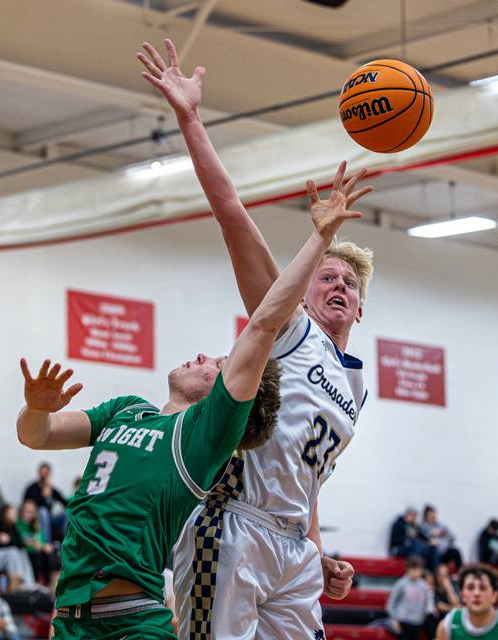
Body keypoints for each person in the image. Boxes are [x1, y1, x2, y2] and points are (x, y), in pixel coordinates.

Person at [17, 144, 361, 638]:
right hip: (82, 608)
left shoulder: (203, 434)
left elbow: (263, 330)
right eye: (328, 276)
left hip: (146, 602)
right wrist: (34, 408)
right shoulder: (129, 411)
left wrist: (313, 546)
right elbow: (38, 435)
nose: (206, 356)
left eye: (219, 363)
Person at [137, 39, 372, 638]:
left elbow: (306, 479)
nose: (336, 286)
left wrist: (317, 548)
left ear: (361, 307)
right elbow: (234, 215)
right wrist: (191, 119)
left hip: (292, 547)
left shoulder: (355, 386)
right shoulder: (286, 327)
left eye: (348, 282)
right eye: (325, 277)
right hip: (233, 525)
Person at [438, 564, 498, 640]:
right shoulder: (447, 626)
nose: (476, 593)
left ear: (494, 596)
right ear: (462, 595)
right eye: (470, 587)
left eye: (483, 588)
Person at [0, 504, 35, 590]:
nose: (16, 515)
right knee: (12, 552)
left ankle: (29, 581)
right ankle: (18, 582)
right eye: (13, 513)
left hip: (2, 558)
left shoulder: (13, 527)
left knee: (22, 551)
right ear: (5, 513)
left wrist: (10, 540)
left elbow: (20, 544)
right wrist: (10, 541)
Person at [385, 556, 433, 640]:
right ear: (408, 569)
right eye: (413, 569)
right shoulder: (401, 584)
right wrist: (395, 619)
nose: (416, 572)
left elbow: (429, 603)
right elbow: (390, 603)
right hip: (404, 622)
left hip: (418, 622)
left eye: (419, 569)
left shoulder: (425, 586)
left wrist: (429, 610)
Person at [14, 501, 59, 590]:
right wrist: (36, 544)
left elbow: (41, 542)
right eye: (27, 511)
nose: (30, 515)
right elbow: (19, 541)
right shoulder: (17, 524)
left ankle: (53, 584)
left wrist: (44, 546)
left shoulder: (35, 525)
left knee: (50, 553)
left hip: (38, 553)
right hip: (25, 555)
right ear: (21, 512)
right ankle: (43, 584)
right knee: (40, 555)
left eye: (32, 512)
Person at [23, 463, 67, 544]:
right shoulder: (31, 488)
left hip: (50, 519)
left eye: (46, 474)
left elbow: (64, 502)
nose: (44, 476)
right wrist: (45, 496)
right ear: (38, 473)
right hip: (36, 519)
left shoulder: (52, 489)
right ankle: (46, 544)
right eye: (42, 473)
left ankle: (66, 543)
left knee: (65, 514)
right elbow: (30, 506)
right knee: (43, 511)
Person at [422, 505, 463, 570]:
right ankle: (437, 573)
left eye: (433, 514)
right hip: (433, 553)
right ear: (426, 516)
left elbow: (453, 537)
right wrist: (431, 535)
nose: (433, 516)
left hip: (445, 551)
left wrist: (444, 534)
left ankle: (460, 572)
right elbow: (423, 538)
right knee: (433, 548)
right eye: (430, 514)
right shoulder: (423, 526)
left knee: (455, 551)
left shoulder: (441, 525)